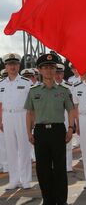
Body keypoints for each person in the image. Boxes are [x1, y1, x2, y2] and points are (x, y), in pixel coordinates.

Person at [25, 53, 75, 205]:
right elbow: (30, 113)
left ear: (56, 70)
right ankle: (48, 200)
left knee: (60, 168)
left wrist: (71, 128)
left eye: (52, 67)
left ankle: (61, 200)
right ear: (39, 70)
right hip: (40, 132)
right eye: (45, 67)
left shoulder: (64, 90)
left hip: (58, 130)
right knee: (43, 169)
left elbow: (71, 110)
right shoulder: (34, 91)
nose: (49, 70)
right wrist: (29, 132)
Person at [0, 53, 33, 189]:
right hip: (7, 117)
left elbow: (31, 105)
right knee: (11, 149)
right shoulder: (1, 84)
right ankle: (14, 180)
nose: (12, 67)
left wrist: (32, 122)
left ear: (19, 66)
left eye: (15, 64)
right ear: (6, 67)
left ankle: (25, 180)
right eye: (9, 64)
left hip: (22, 116)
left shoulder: (27, 82)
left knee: (24, 148)